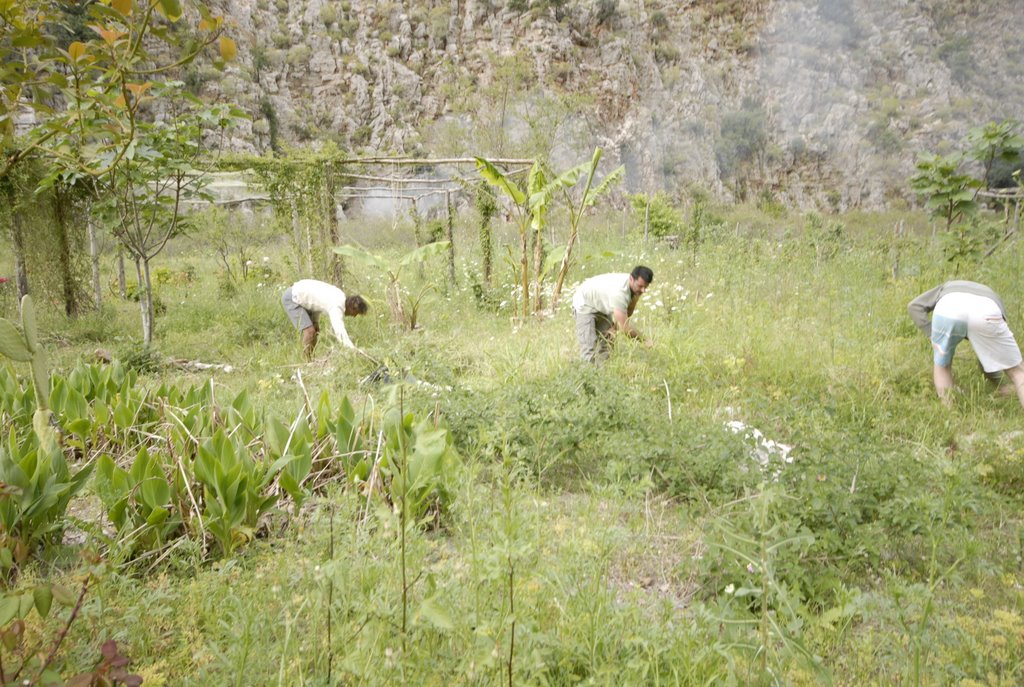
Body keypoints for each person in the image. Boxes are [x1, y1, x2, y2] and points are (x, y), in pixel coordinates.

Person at [908, 280, 1024, 408]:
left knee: (942, 366)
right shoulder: (993, 298)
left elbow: (913, 306)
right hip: (987, 312)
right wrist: (998, 384)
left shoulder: (945, 287)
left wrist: (931, 334)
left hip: (947, 309)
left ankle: (950, 415)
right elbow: (990, 354)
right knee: (1018, 372)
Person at [571, 265, 653, 362]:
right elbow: (625, 328)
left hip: (601, 304)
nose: (643, 290)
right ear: (631, 278)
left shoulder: (636, 289)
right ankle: (586, 371)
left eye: (645, 287)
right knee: (589, 348)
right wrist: (644, 340)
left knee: (607, 343)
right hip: (584, 303)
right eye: (640, 286)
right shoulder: (619, 292)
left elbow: (628, 312)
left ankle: (602, 373)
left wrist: (614, 327)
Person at [282, 279, 368, 359]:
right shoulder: (336, 305)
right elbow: (339, 331)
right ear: (352, 308)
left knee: (315, 330)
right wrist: (353, 350)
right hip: (293, 298)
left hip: (302, 296)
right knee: (310, 332)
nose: (354, 316)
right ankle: (306, 362)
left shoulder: (340, 296)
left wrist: (315, 321)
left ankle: (311, 360)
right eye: (355, 313)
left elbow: (317, 302)